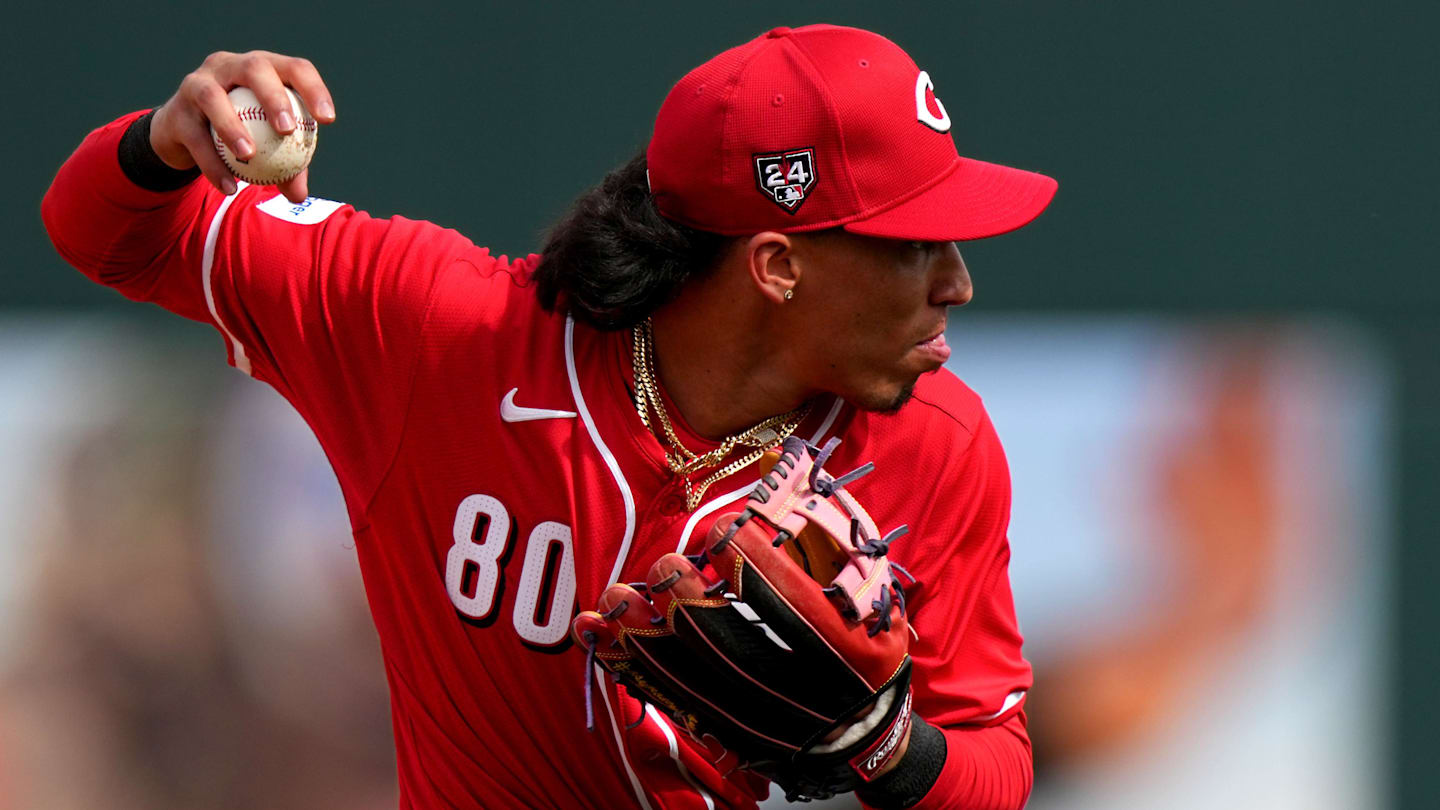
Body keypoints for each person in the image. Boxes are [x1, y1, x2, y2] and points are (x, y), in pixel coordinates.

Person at [42, 23, 1055, 810]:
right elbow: (104, 235)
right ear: (778, 265)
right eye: (915, 245)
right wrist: (160, 144)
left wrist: (883, 748)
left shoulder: (935, 444)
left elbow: (996, 765)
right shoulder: (442, 333)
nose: (956, 282)